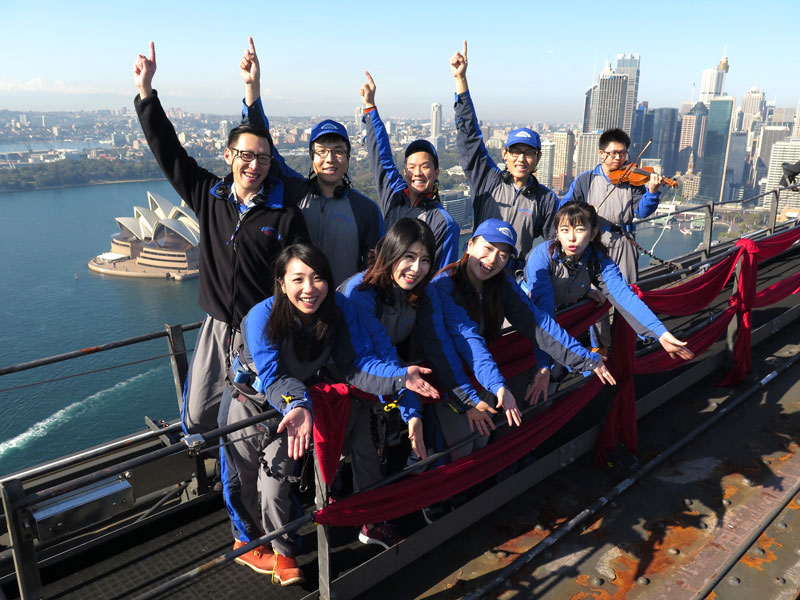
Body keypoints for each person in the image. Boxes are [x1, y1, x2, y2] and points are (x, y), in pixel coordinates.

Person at [220, 244, 438, 584]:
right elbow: (273, 375)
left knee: (276, 485)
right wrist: (298, 403)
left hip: (294, 410)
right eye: (298, 279)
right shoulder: (262, 316)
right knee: (243, 478)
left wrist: (397, 379)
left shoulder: (338, 309)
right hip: (250, 403)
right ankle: (249, 541)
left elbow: (356, 365)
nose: (309, 289)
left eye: (318, 278)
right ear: (281, 283)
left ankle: (283, 550)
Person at [133, 42, 309, 435]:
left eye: (263, 158)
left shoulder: (285, 214)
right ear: (229, 156)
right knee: (198, 415)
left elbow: (301, 274)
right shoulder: (209, 195)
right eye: (245, 156)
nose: (254, 165)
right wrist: (146, 93)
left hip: (261, 328)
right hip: (216, 325)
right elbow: (170, 153)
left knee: (253, 419)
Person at [340, 218, 522, 469]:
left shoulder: (425, 293)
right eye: (409, 256)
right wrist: (412, 412)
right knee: (351, 466)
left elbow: (443, 346)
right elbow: (383, 351)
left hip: (388, 382)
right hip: (349, 383)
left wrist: (481, 392)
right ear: (391, 252)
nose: (416, 268)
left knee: (375, 464)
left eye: (425, 260)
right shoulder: (360, 292)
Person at [239, 38, 383, 285]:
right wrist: (253, 87)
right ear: (312, 157)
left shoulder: (366, 210)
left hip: (343, 306)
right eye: (322, 151)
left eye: (338, 151)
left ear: (348, 157)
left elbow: (375, 271)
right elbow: (263, 144)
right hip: (295, 303)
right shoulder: (293, 191)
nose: (330, 159)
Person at [434, 218, 615, 411]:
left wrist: (584, 358)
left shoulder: (501, 283)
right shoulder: (443, 286)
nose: (493, 259)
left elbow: (537, 322)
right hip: (448, 381)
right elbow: (469, 339)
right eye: (488, 248)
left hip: (482, 371)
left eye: (502, 255)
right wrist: (496, 384)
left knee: (495, 424)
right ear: (470, 245)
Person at [525, 201, 695, 364]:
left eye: (580, 229)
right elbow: (543, 311)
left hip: (563, 321)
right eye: (564, 230)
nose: (571, 238)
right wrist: (544, 364)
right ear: (557, 233)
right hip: (530, 320)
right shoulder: (542, 257)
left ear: (593, 233)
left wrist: (661, 333)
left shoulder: (596, 258)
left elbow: (623, 295)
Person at [451, 41, 557, 264]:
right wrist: (461, 80)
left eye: (528, 153)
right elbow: (470, 138)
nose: (521, 159)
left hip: (512, 277)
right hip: (477, 269)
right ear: (504, 154)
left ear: (538, 157)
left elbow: (554, 246)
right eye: (515, 152)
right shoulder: (488, 180)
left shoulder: (545, 199)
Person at [558, 128, 665, 349]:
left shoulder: (632, 181)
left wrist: (652, 192)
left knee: (630, 293)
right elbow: (566, 207)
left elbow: (642, 211)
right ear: (601, 153)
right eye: (613, 153)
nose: (618, 158)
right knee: (596, 297)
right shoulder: (586, 180)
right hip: (593, 243)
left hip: (622, 241)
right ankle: (601, 346)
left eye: (623, 153)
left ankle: (628, 342)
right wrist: (585, 212)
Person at [359, 72, 460, 269]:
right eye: (412, 167)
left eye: (425, 166)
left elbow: (441, 276)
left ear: (437, 172)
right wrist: (370, 107)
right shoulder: (395, 196)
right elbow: (381, 157)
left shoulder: (443, 223)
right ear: (405, 172)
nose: (418, 173)